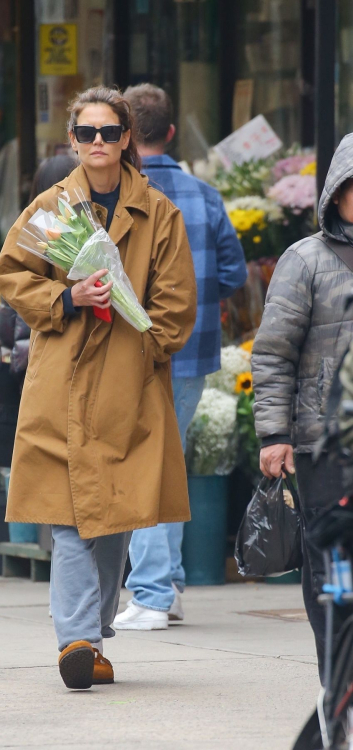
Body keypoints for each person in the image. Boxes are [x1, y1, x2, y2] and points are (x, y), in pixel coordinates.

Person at [0, 85, 197, 690]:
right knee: (69, 520)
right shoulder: (51, 208)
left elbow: (176, 306)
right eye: (87, 134)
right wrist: (67, 297)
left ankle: (92, 636)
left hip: (129, 387)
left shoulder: (159, 212)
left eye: (110, 132)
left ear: (128, 138)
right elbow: (11, 273)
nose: (99, 143)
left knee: (115, 519)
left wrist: (144, 344)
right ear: (72, 140)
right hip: (61, 382)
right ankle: (78, 640)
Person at [113, 83, 247, 631]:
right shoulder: (203, 194)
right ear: (170, 132)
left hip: (136, 352)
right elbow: (235, 273)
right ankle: (166, 587)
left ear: (124, 133)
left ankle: (151, 592)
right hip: (192, 354)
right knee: (168, 466)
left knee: (147, 468)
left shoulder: (122, 193)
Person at [252, 133, 353, 683]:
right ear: (336, 194)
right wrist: (274, 435)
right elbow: (272, 355)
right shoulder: (305, 260)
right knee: (331, 573)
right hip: (322, 449)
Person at [0, 155, 77, 376]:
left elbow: (4, 328)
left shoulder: (25, 237)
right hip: (76, 362)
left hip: (34, 365)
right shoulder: (88, 237)